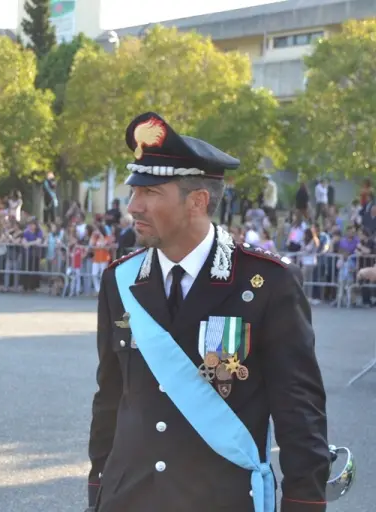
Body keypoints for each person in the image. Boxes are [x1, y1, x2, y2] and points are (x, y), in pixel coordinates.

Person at [86, 112, 330, 512]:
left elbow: (299, 411)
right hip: (127, 498)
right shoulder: (120, 280)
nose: (133, 206)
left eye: (150, 192)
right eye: (134, 191)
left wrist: (304, 501)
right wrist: (98, 486)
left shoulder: (265, 283)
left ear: (197, 201)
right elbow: (110, 397)